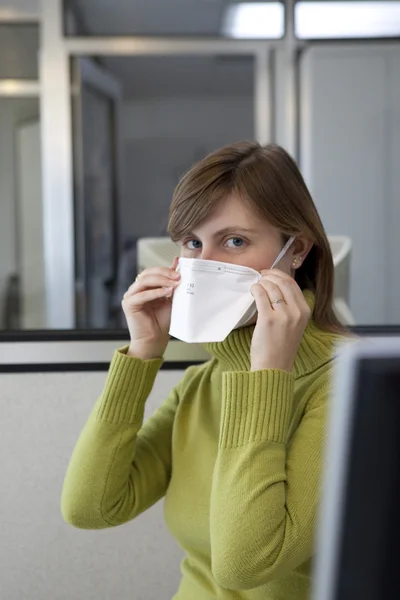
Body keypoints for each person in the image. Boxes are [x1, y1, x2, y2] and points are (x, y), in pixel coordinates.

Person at [62, 142, 350, 599]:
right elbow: (91, 507)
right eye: (193, 243)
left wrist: (268, 374)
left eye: (234, 241)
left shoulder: (345, 388)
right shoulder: (204, 381)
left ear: (296, 251)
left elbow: (245, 563)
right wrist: (142, 355)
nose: (203, 264)